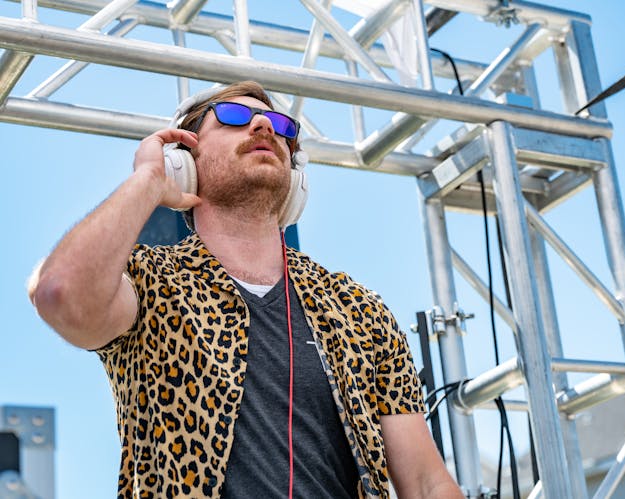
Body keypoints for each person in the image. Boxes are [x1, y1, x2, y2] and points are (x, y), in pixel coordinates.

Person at [28, 81, 463, 498]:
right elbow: (61, 293)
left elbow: (426, 483)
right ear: (183, 162)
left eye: (281, 125)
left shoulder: (359, 309)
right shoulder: (150, 281)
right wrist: (147, 178)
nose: (264, 127)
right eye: (233, 117)